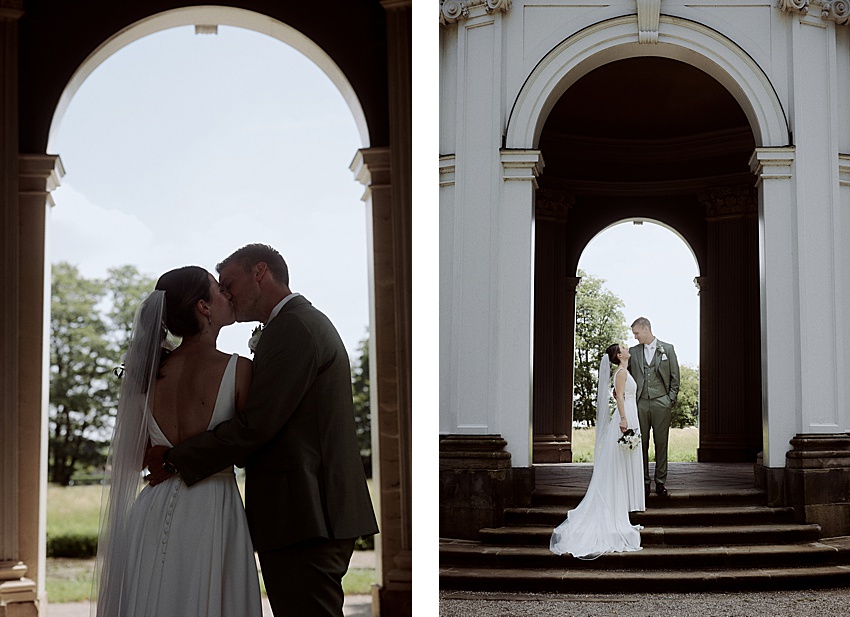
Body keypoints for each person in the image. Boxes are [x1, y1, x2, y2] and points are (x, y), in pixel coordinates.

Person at [144, 244, 379, 617]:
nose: (226, 293)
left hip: (306, 512)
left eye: (229, 283)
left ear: (259, 272)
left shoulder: (295, 326)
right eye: (218, 287)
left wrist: (175, 458)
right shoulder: (286, 327)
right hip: (297, 513)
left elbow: (258, 424)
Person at [94, 266, 262, 617]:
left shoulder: (149, 376)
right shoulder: (240, 369)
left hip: (151, 509)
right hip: (211, 506)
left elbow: (137, 456)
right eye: (218, 289)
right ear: (203, 306)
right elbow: (249, 449)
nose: (227, 293)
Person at [550, 343, 644, 559]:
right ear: (619, 355)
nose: (628, 348)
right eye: (624, 347)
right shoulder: (621, 372)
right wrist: (623, 419)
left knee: (622, 462)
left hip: (630, 414)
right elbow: (619, 397)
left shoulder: (624, 371)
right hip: (626, 416)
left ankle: (624, 505)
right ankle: (617, 509)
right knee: (618, 464)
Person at [629, 316, 680, 499]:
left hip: (661, 402)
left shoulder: (667, 349)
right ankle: (643, 483)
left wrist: (669, 400)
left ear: (646, 329)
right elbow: (623, 374)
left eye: (636, 333)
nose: (635, 337)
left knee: (661, 443)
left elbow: (675, 378)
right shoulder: (633, 352)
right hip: (640, 402)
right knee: (640, 444)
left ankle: (660, 482)